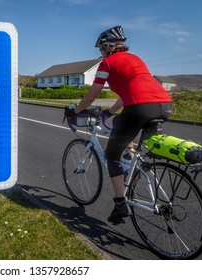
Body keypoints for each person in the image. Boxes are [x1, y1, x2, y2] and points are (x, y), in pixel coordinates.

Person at [65, 26, 172, 223]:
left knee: (111, 154)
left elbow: (92, 95)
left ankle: (120, 203)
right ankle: (132, 165)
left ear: (107, 47)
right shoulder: (136, 59)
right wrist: (110, 112)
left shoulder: (107, 62)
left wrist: (76, 110)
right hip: (163, 106)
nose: (100, 53)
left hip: (140, 107)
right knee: (128, 138)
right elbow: (127, 93)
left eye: (100, 49)